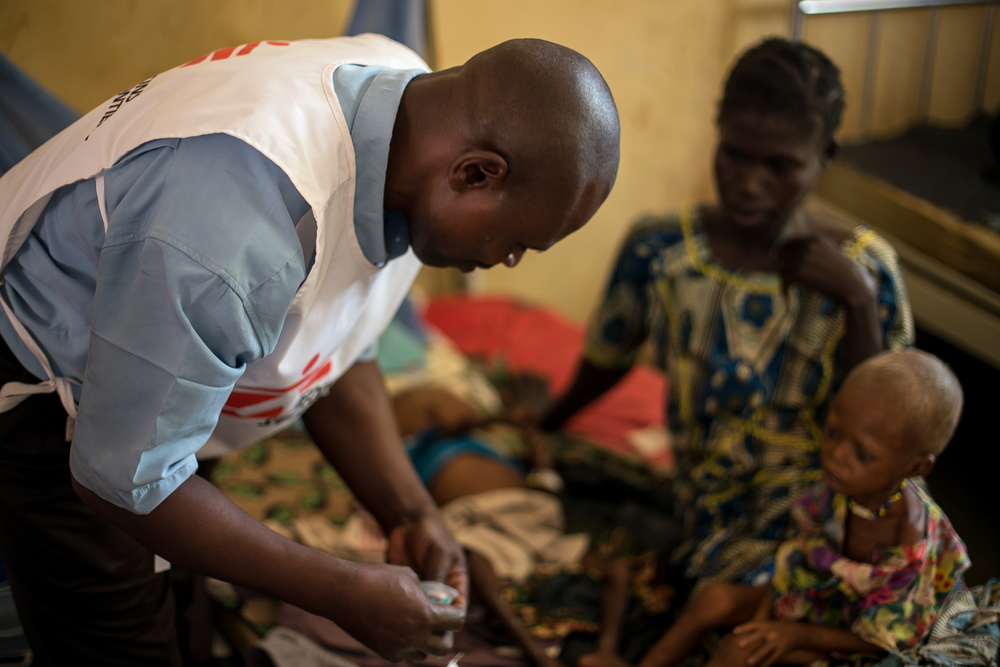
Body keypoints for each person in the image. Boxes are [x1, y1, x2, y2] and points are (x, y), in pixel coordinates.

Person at [0, 34, 620, 665]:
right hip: (63, 414)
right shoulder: (234, 233)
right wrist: (340, 591)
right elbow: (123, 478)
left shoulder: (414, 103)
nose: (508, 261)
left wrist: (409, 510)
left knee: (185, 612)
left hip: (159, 410)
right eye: (518, 241)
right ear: (476, 172)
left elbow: (335, 334)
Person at [542, 38, 913, 600]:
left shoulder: (867, 272)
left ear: (825, 158)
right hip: (708, 510)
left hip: (826, 522)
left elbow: (888, 431)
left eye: (780, 165)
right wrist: (547, 421)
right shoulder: (661, 249)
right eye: (734, 153)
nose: (748, 180)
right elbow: (609, 356)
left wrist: (857, 304)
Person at [590, 349, 968, 667]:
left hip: (854, 641)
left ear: (916, 468)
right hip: (814, 602)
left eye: (863, 454)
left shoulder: (908, 543)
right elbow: (800, 554)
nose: (835, 456)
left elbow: (883, 640)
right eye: (834, 432)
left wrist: (793, 633)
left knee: (738, 650)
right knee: (713, 599)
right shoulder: (842, 487)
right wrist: (768, 609)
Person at [392, 383, 631, 667]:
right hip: (478, 520)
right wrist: (499, 417)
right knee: (477, 568)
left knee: (617, 569)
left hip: (527, 517)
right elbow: (458, 423)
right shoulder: (419, 445)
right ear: (432, 412)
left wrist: (540, 460)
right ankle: (537, 654)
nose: (467, 406)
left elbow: (544, 489)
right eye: (457, 401)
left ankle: (606, 649)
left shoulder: (489, 448)